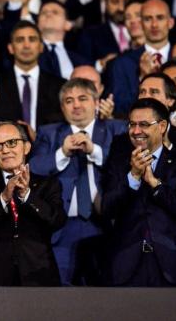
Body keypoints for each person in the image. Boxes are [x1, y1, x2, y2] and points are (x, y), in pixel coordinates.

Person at [29, 78, 126, 285]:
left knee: (103, 291)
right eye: (69, 100)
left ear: (96, 101)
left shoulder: (116, 129)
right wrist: (62, 153)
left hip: (103, 224)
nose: (76, 105)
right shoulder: (49, 133)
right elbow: (34, 168)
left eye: (83, 98)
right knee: (63, 294)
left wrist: (94, 150)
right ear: (62, 106)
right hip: (63, 227)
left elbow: (126, 165)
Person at [101, 98, 176, 286]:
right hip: (126, 261)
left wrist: (156, 185)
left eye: (144, 124)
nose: (136, 131)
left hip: (171, 262)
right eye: (132, 125)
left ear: (162, 126)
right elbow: (107, 209)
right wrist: (133, 177)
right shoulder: (119, 161)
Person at [0, 121, 66, 285]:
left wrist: (27, 195)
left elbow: (57, 220)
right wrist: (3, 198)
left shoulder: (48, 184)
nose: (5, 150)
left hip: (38, 274)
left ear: (26, 147)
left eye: (12, 143)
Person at [106, 0, 175, 116]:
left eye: (160, 18)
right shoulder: (122, 63)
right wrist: (142, 78)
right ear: (141, 24)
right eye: (148, 19)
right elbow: (120, 109)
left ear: (170, 22)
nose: (154, 24)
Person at [0, 20, 66, 130]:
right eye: (20, 40)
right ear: (10, 48)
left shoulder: (60, 86)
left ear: (41, 47)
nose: (26, 45)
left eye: (32, 39)